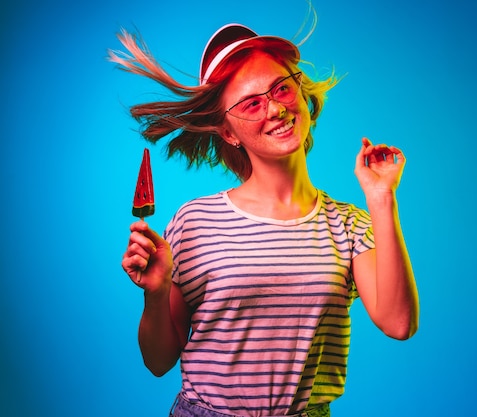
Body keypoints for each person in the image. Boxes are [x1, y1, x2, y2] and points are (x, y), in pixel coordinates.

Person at [113, 21, 419, 417]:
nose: (276, 108)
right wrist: (154, 295)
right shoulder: (195, 222)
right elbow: (158, 362)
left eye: (281, 89)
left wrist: (381, 197)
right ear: (228, 131)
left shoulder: (348, 224)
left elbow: (398, 323)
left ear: (301, 94)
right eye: (251, 103)